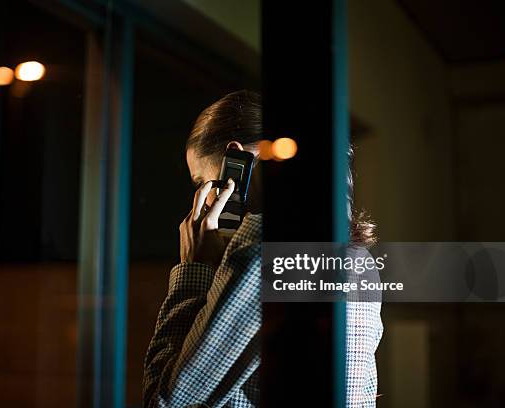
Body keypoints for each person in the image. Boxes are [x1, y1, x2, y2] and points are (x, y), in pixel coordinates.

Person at [143, 90, 382, 407]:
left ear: (234, 162)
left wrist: (192, 268)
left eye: (201, 181)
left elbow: (165, 402)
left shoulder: (261, 246)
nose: (203, 201)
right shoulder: (358, 259)